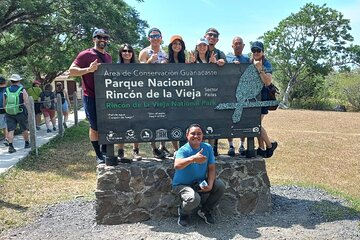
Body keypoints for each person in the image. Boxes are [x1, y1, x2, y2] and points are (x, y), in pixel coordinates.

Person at [68, 28, 112, 164]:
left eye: (105, 37)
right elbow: (72, 71)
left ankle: (105, 152)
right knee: (94, 127)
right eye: (99, 37)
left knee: (106, 125)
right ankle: (98, 155)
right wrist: (88, 70)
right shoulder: (85, 55)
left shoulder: (108, 57)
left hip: (105, 97)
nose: (102, 40)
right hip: (91, 96)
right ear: (94, 39)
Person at [172, 123, 225, 227]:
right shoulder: (183, 150)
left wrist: (209, 184)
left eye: (199, 134)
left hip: (200, 183)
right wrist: (193, 159)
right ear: (187, 136)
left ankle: (205, 211)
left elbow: (211, 168)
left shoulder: (208, 148)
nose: (196, 136)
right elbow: (177, 165)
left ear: (202, 136)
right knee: (194, 198)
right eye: (193, 133)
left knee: (219, 186)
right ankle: (183, 213)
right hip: (182, 185)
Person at [138, 27, 168, 159]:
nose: (155, 38)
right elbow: (138, 72)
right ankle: (154, 148)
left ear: (161, 38)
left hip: (163, 91)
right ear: (148, 38)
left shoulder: (165, 53)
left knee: (163, 120)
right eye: (153, 36)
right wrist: (149, 62)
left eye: (157, 36)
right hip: (149, 92)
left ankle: (162, 146)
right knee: (151, 120)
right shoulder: (144, 52)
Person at [250, 41, 278, 158]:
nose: (256, 53)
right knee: (255, 123)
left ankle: (270, 145)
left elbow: (268, 82)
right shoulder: (249, 62)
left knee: (255, 123)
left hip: (263, 96)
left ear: (262, 52)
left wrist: (260, 69)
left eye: (258, 50)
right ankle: (261, 148)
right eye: (254, 50)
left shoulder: (266, 64)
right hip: (252, 97)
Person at [116, 43, 142, 162]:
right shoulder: (115, 68)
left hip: (135, 101)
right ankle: (120, 151)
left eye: (129, 51)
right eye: (124, 51)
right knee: (122, 126)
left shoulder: (137, 67)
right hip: (121, 101)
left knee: (135, 126)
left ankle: (136, 151)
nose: (127, 53)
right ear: (121, 53)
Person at [226, 36, 251, 157]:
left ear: (243, 45)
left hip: (243, 93)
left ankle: (242, 145)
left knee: (243, 119)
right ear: (232, 45)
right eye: (236, 43)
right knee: (228, 119)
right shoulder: (227, 57)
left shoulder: (247, 59)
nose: (238, 45)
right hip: (229, 92)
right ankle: (231, 145)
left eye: (240, 43)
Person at [204, 28, 227, 156]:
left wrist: (221, 62)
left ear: (217, 40)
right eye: (210, 35)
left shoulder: (220, 53)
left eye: (215, 36)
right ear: (205, 36)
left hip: (215, 93)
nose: (212, 37)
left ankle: (213, 150)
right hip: (199, 94)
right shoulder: (198, 50)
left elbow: (227, 69)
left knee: (214, 122)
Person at [3, 74, 30, 153]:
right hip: (20, 112)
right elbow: (26, 102)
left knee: (11, 130)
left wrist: (8, 111)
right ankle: (27, 143)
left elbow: (4, 104)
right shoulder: (22, 90)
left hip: (9, 113)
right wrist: (28, 112)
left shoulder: (6, 90)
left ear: (11, 81)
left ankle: (11, 146)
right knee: (24, 129)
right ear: (19, 81)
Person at [0, 75, 9, 146]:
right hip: (7, 109)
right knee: (6, 124)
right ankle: (7, 138)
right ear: (5, 82)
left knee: (3, 124)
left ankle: (6, 137)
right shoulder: (7, 89)